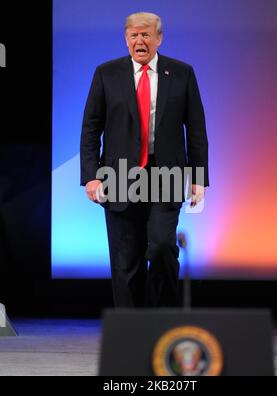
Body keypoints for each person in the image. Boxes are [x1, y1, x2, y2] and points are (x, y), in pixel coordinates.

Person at [80, 12, 209, 308]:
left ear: (159, 38)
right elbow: (91, 127)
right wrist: (91, 175)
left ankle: (161, 324)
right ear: (126, 40)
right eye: (134, 35)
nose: (140, 40)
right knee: (126, 261)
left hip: (166, 177)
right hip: (119, 176)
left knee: (163, 247)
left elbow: (196, 128)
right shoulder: (106, 74)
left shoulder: (181, 73)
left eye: (146, 34)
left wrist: (199, 179)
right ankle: (131, 331)